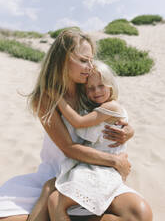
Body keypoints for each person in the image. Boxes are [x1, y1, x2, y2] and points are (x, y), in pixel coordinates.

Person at [0, 29, 152, 221]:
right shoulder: (46, 97)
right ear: (62, 60)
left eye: (91, 60)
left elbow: (114, 112)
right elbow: (68, 148)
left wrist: (128, 130)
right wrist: (115, 161)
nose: (89, 66)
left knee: (140, 214)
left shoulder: (89, 89)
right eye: (83, 60)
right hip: (56, 173)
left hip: (92, 171)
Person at [47, 60, 152, 221]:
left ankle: (60, 205)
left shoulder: (112, 107)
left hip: (106, 167)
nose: (96, 91)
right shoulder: (97, 108)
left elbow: (79, 122)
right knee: (72, 190)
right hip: (96, 164)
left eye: (101, 85)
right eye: (90, 88)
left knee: (71, 195)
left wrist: (58, 98)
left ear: (111, 86)